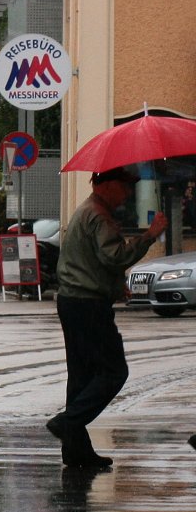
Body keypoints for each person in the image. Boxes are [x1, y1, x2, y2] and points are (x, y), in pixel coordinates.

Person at [46, 166, 168, 469]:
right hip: (87, 306)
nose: (127, 194)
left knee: (82, 377)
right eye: (125, 187)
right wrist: (150, 235)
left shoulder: (89, 210)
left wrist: (115, 288)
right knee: (113, 372)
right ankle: (67, 422)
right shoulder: (98, 215)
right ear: (107, 185)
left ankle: (76, 451)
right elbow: (115, 257)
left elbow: (93, 262)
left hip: (74, 301)